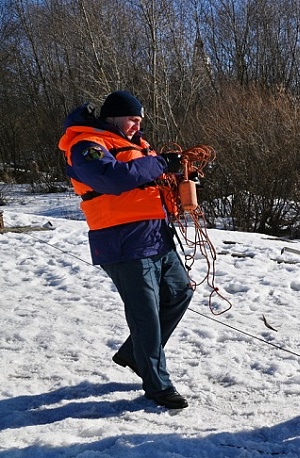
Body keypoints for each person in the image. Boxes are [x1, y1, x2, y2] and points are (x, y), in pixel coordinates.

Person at [58, 90, 192, 409]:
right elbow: (112, 179)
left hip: (157, 235)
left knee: (180, 292)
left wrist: (179, 177)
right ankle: (158, 385)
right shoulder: (86, 145)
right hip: (121, 239)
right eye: (132, 119)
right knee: (145, 313)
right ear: (113, 117)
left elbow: (147, 179)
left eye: (139, 120)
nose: (137, 125)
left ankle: (134, 353)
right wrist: (161, 163)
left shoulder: (139, 146)